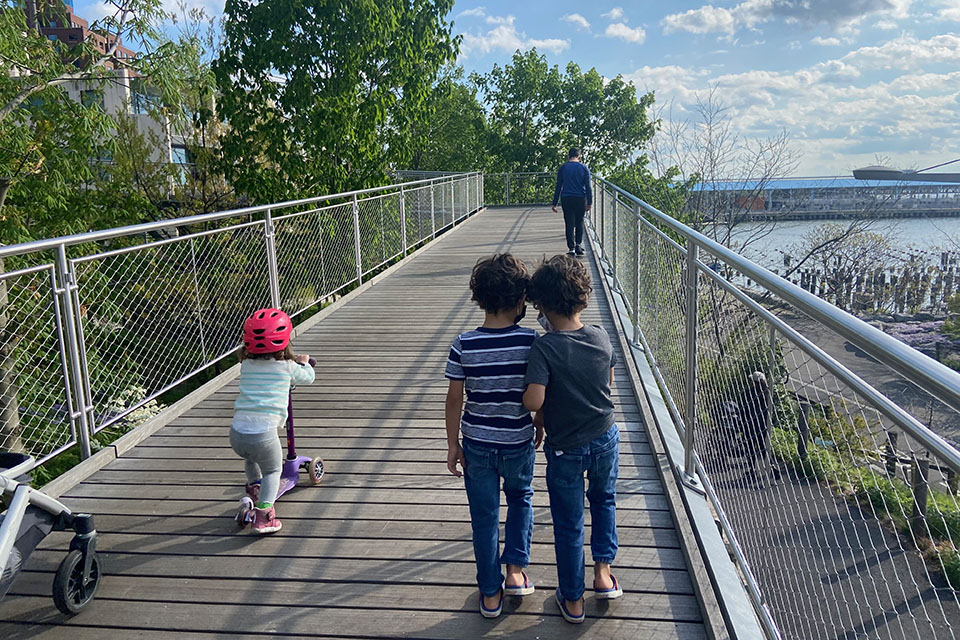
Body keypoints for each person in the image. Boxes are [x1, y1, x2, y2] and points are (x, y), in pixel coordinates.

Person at [522, 254, 622, 624]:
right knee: (604, 501)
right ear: (583, 299)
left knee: (568, 522)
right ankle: (603, 575)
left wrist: (533, 404)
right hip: (606, 437)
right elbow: (606, 382)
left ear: (543, 307)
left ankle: (573, 599)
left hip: (566, 450)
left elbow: (535, 400)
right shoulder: (599, 334)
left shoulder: (544, 347)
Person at [444, 254, 540, 619]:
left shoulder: (464, 344)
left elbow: (455, 398)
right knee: (520, 500)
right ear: (520, 301)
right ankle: (515, 572)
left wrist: (454, 444)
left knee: (484, 518)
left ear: (479, 298)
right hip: (518, 441)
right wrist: (540, 421)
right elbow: (539, 390)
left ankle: (488, 592)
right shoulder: (532, 341)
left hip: (478, 447)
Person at [231, 308, 315, 534]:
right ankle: (264, 516)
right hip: (263, 434)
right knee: (272, 470)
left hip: (237, 432)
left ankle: (254, 489)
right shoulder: (287, 366)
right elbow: (308, 378)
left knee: (251, 458)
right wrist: (304, 363)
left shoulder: (246, 365)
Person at [551, 148, 593, 257]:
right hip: (580, 198)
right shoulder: (584, 168)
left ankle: (571, 248)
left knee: (569, 223)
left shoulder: (563, 168)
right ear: (579, 156)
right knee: (579, 221)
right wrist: (590, 202)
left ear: (569, 156)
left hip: (567, 198)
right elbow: (588, 187)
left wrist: (554, 203)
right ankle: (578, 244)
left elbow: (559, 186)